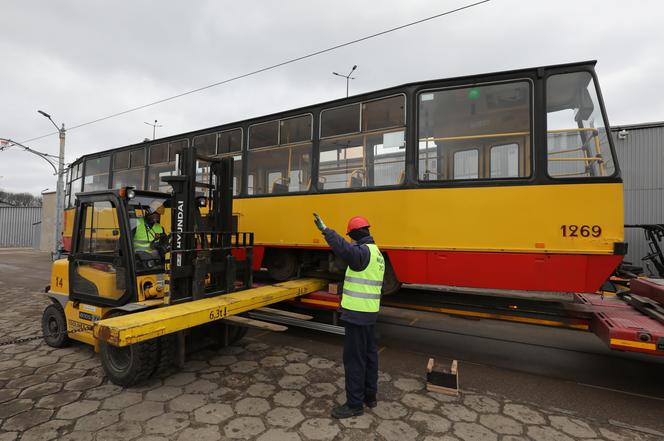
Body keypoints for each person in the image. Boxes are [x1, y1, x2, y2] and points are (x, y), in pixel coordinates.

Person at [313, 213, 385, 419]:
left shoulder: (362, 253)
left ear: (354, 235)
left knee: (354, 360)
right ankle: (370, 396)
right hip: (370, 314)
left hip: (357, 315)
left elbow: (343, 249)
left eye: (351, 236)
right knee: (370, 356)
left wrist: (326, 231)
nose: (351, 240)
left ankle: (354, 404)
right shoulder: (377, 253)